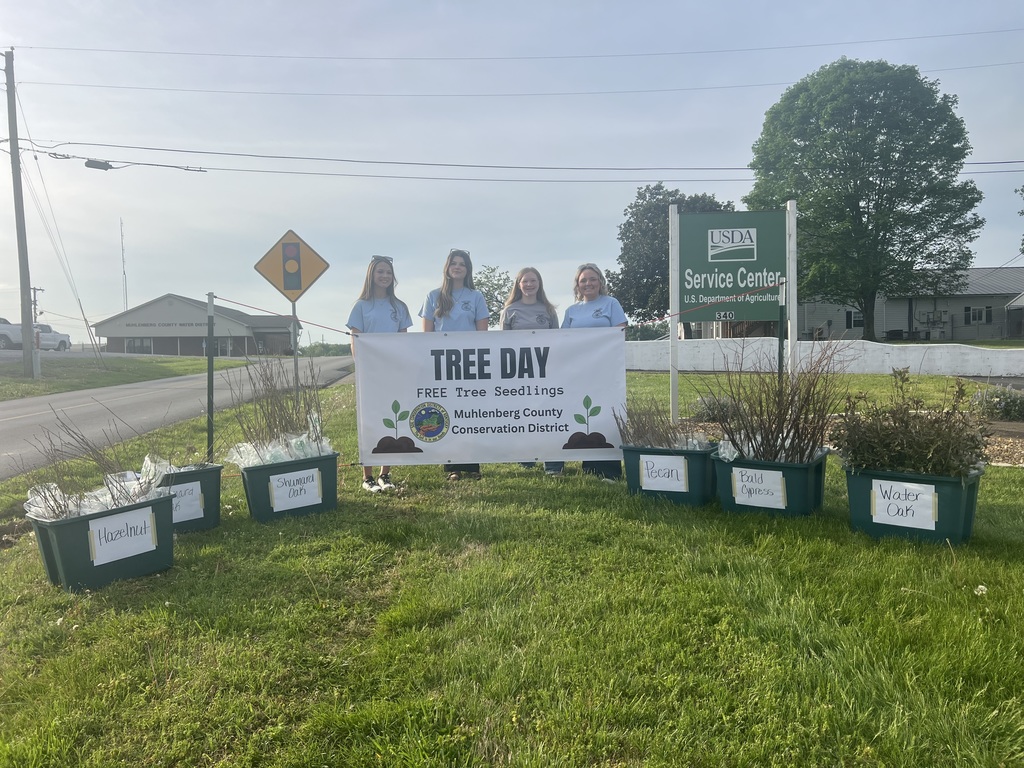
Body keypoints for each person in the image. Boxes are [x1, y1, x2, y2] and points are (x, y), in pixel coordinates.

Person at [419, 248, 489, 481]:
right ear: (447, 268)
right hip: (442, 364)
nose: (458, 267)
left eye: (462, 264)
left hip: (469, 364)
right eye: (454, 263)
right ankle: (452, 467)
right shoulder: (433, 296)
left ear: (468, 270)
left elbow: (482, 333)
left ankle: (473, 466)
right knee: (447, 412)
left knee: (470, 413)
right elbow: (427, 335)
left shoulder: (476, 296)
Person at [348, 255, 413, 492]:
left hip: (392, 374)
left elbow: (404, 343)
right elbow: (355, 341)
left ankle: (385, 474)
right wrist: (363, 368)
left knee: (392, 420)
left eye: (388, 272)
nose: (384, 276)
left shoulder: (400, 307)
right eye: (380, 272)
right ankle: (367, 477)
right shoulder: (361, 306)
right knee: (370, 422)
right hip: (370, 374)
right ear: (371, 275)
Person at [561, 262, 627, 482]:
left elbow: (620, 330)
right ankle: (589, 466)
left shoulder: (611, 303)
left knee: (607, 414)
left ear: (600, 282)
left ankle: (610, 470)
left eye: (592, 279)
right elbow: (563, 339)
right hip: (580, 372)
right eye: (583, 280)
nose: (588, 283)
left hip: (606, 369)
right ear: (577, 285)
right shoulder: (572, 311)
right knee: (586, 415)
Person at [499, 267, 562, 474]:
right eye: (525, 281)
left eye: (533, 280)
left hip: (546, 372)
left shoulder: (549, 310)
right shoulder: (509, 311)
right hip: (519, 373)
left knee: (549, 415)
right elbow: (502, 345)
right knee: (523, 415)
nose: (529, 284)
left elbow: (557, 341)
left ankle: (553, 464)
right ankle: (526, 459)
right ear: (518, 285)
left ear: (539, 283)